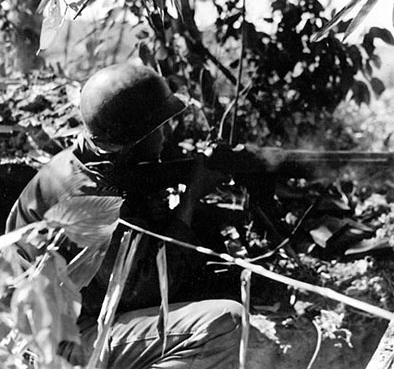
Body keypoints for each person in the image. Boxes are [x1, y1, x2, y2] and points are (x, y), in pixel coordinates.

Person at [5, 63, 242, 368]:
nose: (165, 136)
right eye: (158, 128)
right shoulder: (90, 201)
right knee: (224, 324)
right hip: (53, 342)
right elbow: (144, 289)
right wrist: (190, 199)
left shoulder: (87, 164)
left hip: (54, 320)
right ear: (136, 140)